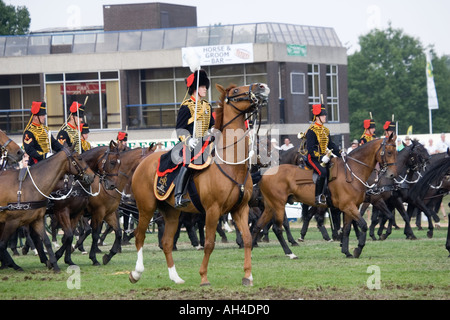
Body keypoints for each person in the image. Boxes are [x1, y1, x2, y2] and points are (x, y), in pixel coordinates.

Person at [173, 69, 215, 208]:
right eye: (202, 87)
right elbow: (179, 128)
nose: (205, 89)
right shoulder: (186, 106)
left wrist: (214, 132)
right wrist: (188, 140)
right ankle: (178, 195)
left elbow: (211, 125)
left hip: (206, 142)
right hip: (191, 144)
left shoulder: (207, 106)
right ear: (195, 89)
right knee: (188, 164)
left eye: (205, 87)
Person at [305, 104, 341, 205]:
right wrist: (321, 158)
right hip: (313, 158)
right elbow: (310, 149)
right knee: (323, 172)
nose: (325, 117)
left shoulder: (326, 130)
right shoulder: (311, 131)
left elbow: (331, 144)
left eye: (325, 115)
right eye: (323, 115)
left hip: (326, 157)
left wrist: (340, 153)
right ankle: (318, 196)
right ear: (317, 117)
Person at [23, 101, 62, 166]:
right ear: (35, 116)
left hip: (48, 162)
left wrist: (64, 149)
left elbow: (54, 143)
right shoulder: (29, 132)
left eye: (44, 115)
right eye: (42, 115)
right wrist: (45, 155)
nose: (44, 117)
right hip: (37, 165)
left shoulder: (46, 129)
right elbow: (30, 150)